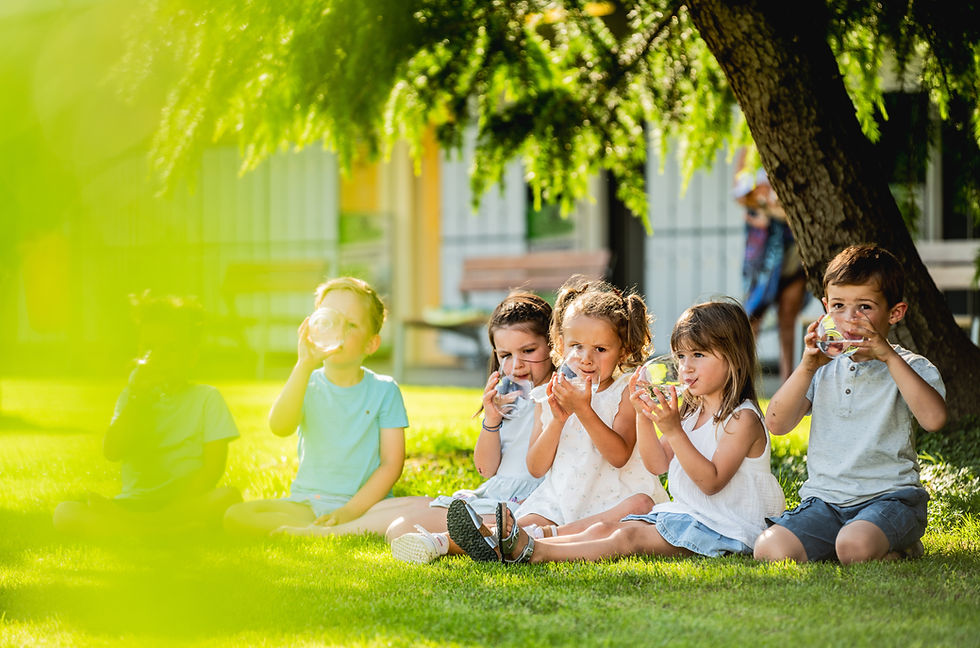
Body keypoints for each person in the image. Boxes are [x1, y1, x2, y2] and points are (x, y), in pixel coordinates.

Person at [448, 299, 786, 563]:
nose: (685, 367)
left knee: (626, 538)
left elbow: (711, 482)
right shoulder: (690, 411)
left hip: (726, 526)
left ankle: (534, 551)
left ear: (733, 358)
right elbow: (657, 464)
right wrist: (644, 417)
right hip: (689, 515)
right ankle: (519, 542)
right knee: (604, 528)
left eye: (698, 355)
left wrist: (672, 430)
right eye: (681, 356)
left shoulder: (742, 419)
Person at [276, 293, 555, 554]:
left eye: (528, 350)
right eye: (505, 355)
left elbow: (539, 470)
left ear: (553, 344)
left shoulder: (555, 401)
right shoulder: (510, 399)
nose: (516, 365)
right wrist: (491, 421)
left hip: (524, 504)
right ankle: (330, 526)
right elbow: (486, 469)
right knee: (395, 506)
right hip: (495, 492)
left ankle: (323, 534)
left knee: (402, 526)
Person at [448, 277, 669, 561]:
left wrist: (584, 411)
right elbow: (536, 467)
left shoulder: (625, 390)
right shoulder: (548, 394)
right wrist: (557, 420)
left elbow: (619, 456)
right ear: (561, 345)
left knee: (639, 505)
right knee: (521, 522)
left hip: (613, 497)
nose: (586, 358)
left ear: (623, 350)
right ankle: (441, 542)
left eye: (600, 349)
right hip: (562, 498)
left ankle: (542, 537)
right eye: (577, 346)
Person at [755, 244, 947, 564]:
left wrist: (888, 356)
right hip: (826, 504)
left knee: (854, 547)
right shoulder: (821, 368)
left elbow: (934, 419)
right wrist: (807, 366)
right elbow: (776, 424)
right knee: (768, 549)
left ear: (895, 313)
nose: (850, 319)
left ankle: (899, 546)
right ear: (825, 308)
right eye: (839, 306)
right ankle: (852, 543)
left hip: (890, 500)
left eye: (865, 307)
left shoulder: (911, 366)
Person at [223, 277, 409, 535]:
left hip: (364, 507)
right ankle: (313, 530)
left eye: (351, 325)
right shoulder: (305, 382)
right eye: (329, 321)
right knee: (236, 515)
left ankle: (329, 529)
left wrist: (349, 511)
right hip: (308, 504)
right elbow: (279, 426)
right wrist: (303, 365)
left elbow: (391, 464)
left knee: (399, 516)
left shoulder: (384, 390)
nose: (338, 331)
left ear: (371, 344)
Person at [52, 293, 241, 536]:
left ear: (191, 356)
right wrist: (137, 400)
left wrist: (178, 506)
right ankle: (158, 531)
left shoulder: (207, 398)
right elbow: (112, 451)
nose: (157, 358)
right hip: (133, 503)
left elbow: (212, 469)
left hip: (184, 504)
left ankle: (139, 527)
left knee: (228, 497)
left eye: (170, 349)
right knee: (64, 512)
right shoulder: (131, 398)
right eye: (149, 349)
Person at [734, 158, 808, 383]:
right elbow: (739, 193)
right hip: (762, 254)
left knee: (788, 317)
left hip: (791, 250)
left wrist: (768, 206)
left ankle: (788, 383)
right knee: (752, 317)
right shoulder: (748, 151)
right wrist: (766, 204)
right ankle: (742, 382)